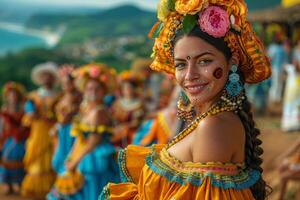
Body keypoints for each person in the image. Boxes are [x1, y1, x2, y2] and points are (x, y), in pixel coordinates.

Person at [100, 0, 271, 199]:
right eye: (181, 65)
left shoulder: (213, 126)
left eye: (204, 61)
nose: (190, 75)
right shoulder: (210, 118)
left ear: (231, 63)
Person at [47, 63, 119, 200]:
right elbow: (80, 139)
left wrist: (74, 162)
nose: (92, 92)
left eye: (97, 89)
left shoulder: (99, 112)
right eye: (89, 88)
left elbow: (92, 143)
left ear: (104, 91)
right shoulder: (87, 109)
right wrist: (71, 156)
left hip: (94, 158)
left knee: (92, 192)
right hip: (83, 153)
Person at [21, 62, 60, 198]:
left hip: (54, 131)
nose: (46, 79)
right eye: (43, 76)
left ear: (53, 78)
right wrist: (31, 114)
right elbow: (28, 114)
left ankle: (53, 190)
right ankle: (37, 190)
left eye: (49, 76)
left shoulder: (59, 96)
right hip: (38, 131)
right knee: (37, 157)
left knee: (53, 157)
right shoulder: (33, 96)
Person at [50, 65, 81, 177]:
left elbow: (67, 117)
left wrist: (57, 126)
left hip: (71, 130)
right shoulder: (63, 96)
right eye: (63, 83)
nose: (65, 85)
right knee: (59, 157)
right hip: (63, 130)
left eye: (67, 82)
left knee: (68, 156)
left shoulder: (77, 97)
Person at [0, 82, 29, 194]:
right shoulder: (5, 109)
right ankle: (7, 183)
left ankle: (18, 182)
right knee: (6, 159)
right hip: (8, 138)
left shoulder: (23, 109)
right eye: (10, 95)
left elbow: (27, 124)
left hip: (21, 139)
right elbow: (2, 125)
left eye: (15, 94)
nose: (13, 97)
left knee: (20, 159)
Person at [111, 70, 144, 147]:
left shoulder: (139, 104)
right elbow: (112, 118)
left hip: (132, 133)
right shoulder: (117, 103)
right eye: (125, 88)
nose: (127, 90)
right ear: (122, 90)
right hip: (117, 130)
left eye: (130, 88)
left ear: (134, 89)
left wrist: (126, 127)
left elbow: (137, 122)